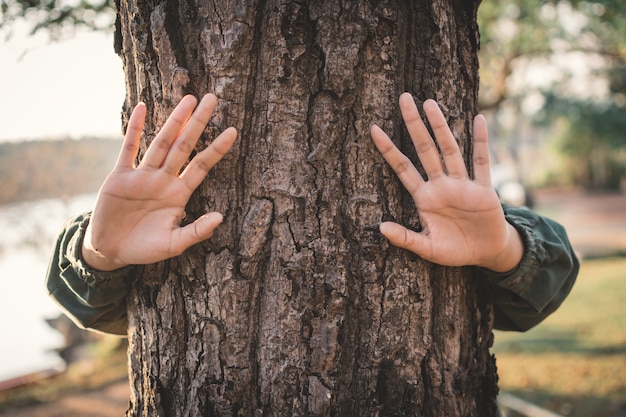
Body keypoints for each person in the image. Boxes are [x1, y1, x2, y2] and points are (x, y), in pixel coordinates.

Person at [46, 92, 578, 336]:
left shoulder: (465, 212)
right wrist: (97, 253)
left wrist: (506, 249)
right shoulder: (128, 242)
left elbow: (532, 303)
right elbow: (108, 314)